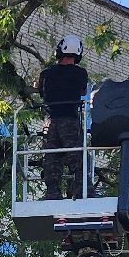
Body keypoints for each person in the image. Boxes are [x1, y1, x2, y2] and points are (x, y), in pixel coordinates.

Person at [33, 35, 89, 201]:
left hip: (50, 122)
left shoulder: (46, 74)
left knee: (51, 159)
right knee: (77, 159)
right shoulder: (81, 74)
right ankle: (83, 193)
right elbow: (82, 92)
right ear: (77, 54)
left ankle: (52, 194)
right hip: (70, 121)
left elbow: (42, 92)